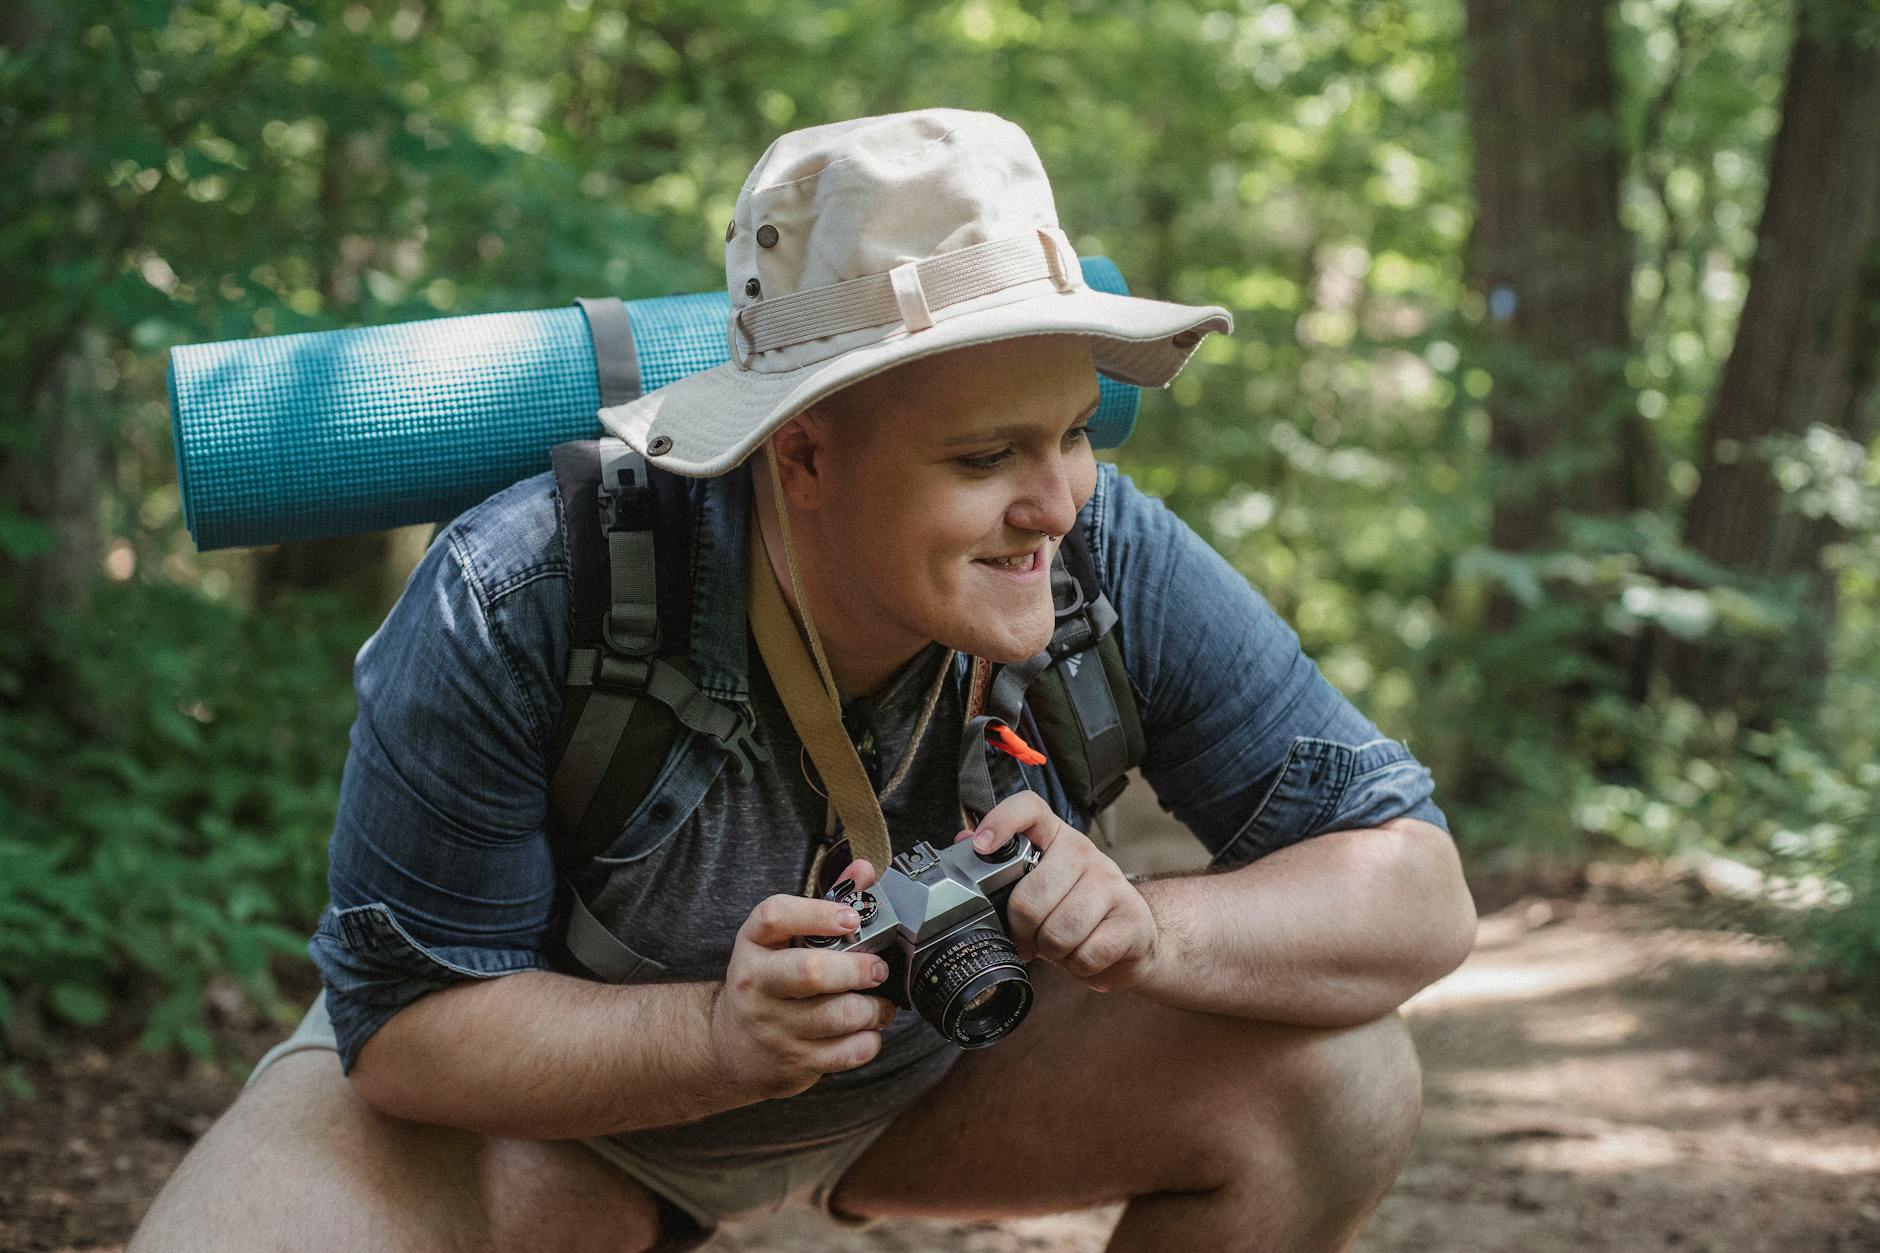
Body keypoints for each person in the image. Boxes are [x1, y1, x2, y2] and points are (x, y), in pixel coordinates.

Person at [131, 108, 1475, 1253]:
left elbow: (1417, 892)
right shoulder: (530, 587)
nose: (1053, 501)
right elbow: (409, 1029)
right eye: (983, 457)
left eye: (1071, 432)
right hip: (564, 1123)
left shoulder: (1098, 548)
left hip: (940, 1082)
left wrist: (1156, 931)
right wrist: (716, 1039)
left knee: (1338, 1076)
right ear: (805, 455)